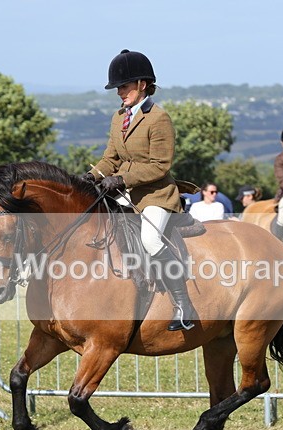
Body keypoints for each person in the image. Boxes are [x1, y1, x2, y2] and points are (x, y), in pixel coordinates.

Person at [86, 49, 194, 331]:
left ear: (142, 84)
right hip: (127, 194)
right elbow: (111, 158)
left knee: (151, 241)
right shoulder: (118, 117)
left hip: (156, 196)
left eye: (124, 86)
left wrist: (121, 180)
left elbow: (160, 166)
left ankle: (184, 305)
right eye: (118, 88)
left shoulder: (158, 119)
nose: (120, 92)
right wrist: (91, 177)